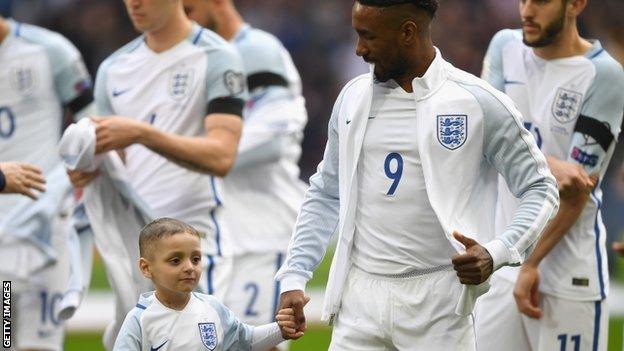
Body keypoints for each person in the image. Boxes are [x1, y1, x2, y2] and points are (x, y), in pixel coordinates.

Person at [275, 0, 559, 349]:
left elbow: (541, 188)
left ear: (407, 32)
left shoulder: (476, 102)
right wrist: (294, 276)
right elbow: (326, 192)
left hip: (439, 304)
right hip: (360, 299)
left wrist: (497, 250)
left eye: (368, 36)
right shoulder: (351, 99)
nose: (359, 49)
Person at [66, 0, 247, 348]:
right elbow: (112, 155)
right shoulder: (113, 68)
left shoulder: (217, 56)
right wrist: (88, 167)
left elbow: (222, 154)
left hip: (194, 240)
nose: (133, 2)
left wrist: (142, 133)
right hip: (136, 246)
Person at [474, 0, 624, 350]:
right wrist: (549, 163)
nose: (526, 10)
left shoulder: (605, 75)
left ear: (575, 4)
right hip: (503, 260)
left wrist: (532, 263)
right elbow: (481, 136)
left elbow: (575, 190)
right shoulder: (505, 46)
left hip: (568, 273)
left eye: (540, 1)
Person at [183, 0, 308, 343]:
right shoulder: (196, 57)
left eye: (188, 8)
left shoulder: (256, 51)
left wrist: (186, 154)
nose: (181, 16)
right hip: (222, 234)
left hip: (263, 234)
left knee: (256, 345)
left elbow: (272, 142)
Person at [0, 14, 93, 351]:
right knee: (6, 341)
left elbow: (93, 124)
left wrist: (85, 160)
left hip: (45, 232)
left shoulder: (51, 51)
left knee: (40, 345)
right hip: (2, 248)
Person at [113, 218, 304, 351]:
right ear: (146, 268)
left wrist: (281, 330)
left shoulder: (212, 308)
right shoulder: (139, 320)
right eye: (175, 261)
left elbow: (247, 340)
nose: (189, 267)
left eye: (195, 259)